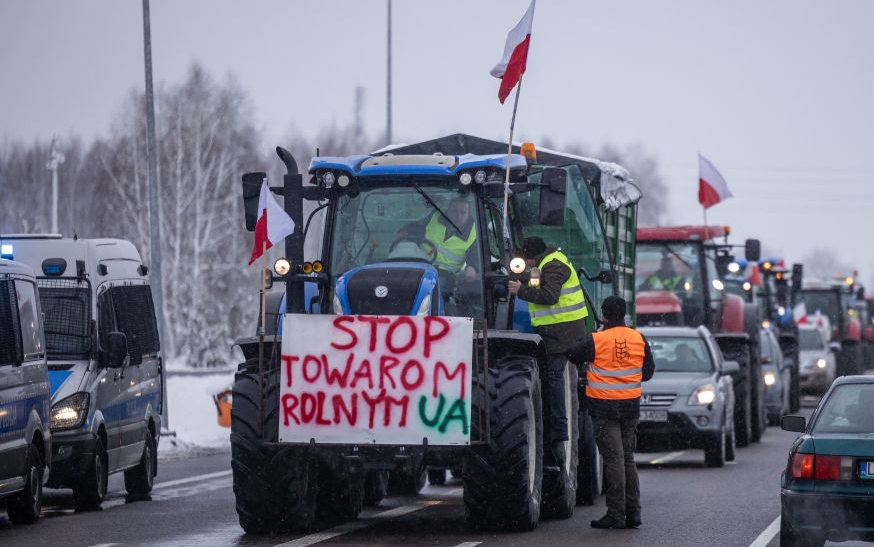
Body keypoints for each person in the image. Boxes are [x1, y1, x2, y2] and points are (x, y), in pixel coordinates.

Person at [566, 295, 655, 530]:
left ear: (604, 315)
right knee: (627, 458)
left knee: (613, 460)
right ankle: (633, 512)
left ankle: (616, 514)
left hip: (604, 409)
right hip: (630, 408)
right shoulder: (638, 338)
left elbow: (571, 353)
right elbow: (647, 372)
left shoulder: (596, 339)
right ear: (623, 314)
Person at [508, 236, 588, 469]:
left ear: (530, 255)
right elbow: (537, 286)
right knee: (550, 378)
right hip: (554, 331)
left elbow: (549, 296)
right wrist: (528, 279)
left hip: (562, 334)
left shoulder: (553, 265)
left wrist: (520, 291)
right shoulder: (540, 266)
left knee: (554, 379)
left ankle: (559, 432)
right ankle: (555, 428)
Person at [395, 196, 478, 307]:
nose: (458, 216)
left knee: (432, 291)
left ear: (468, 215)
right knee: (398, 285)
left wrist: (473, 267)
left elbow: (476, 255)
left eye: (463, 213)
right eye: (454, 211)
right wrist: (404, 232)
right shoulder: (436, 216)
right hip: (420, 266)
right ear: (448, 211)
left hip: (446, 274)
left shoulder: (475, 233)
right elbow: (418, 226)